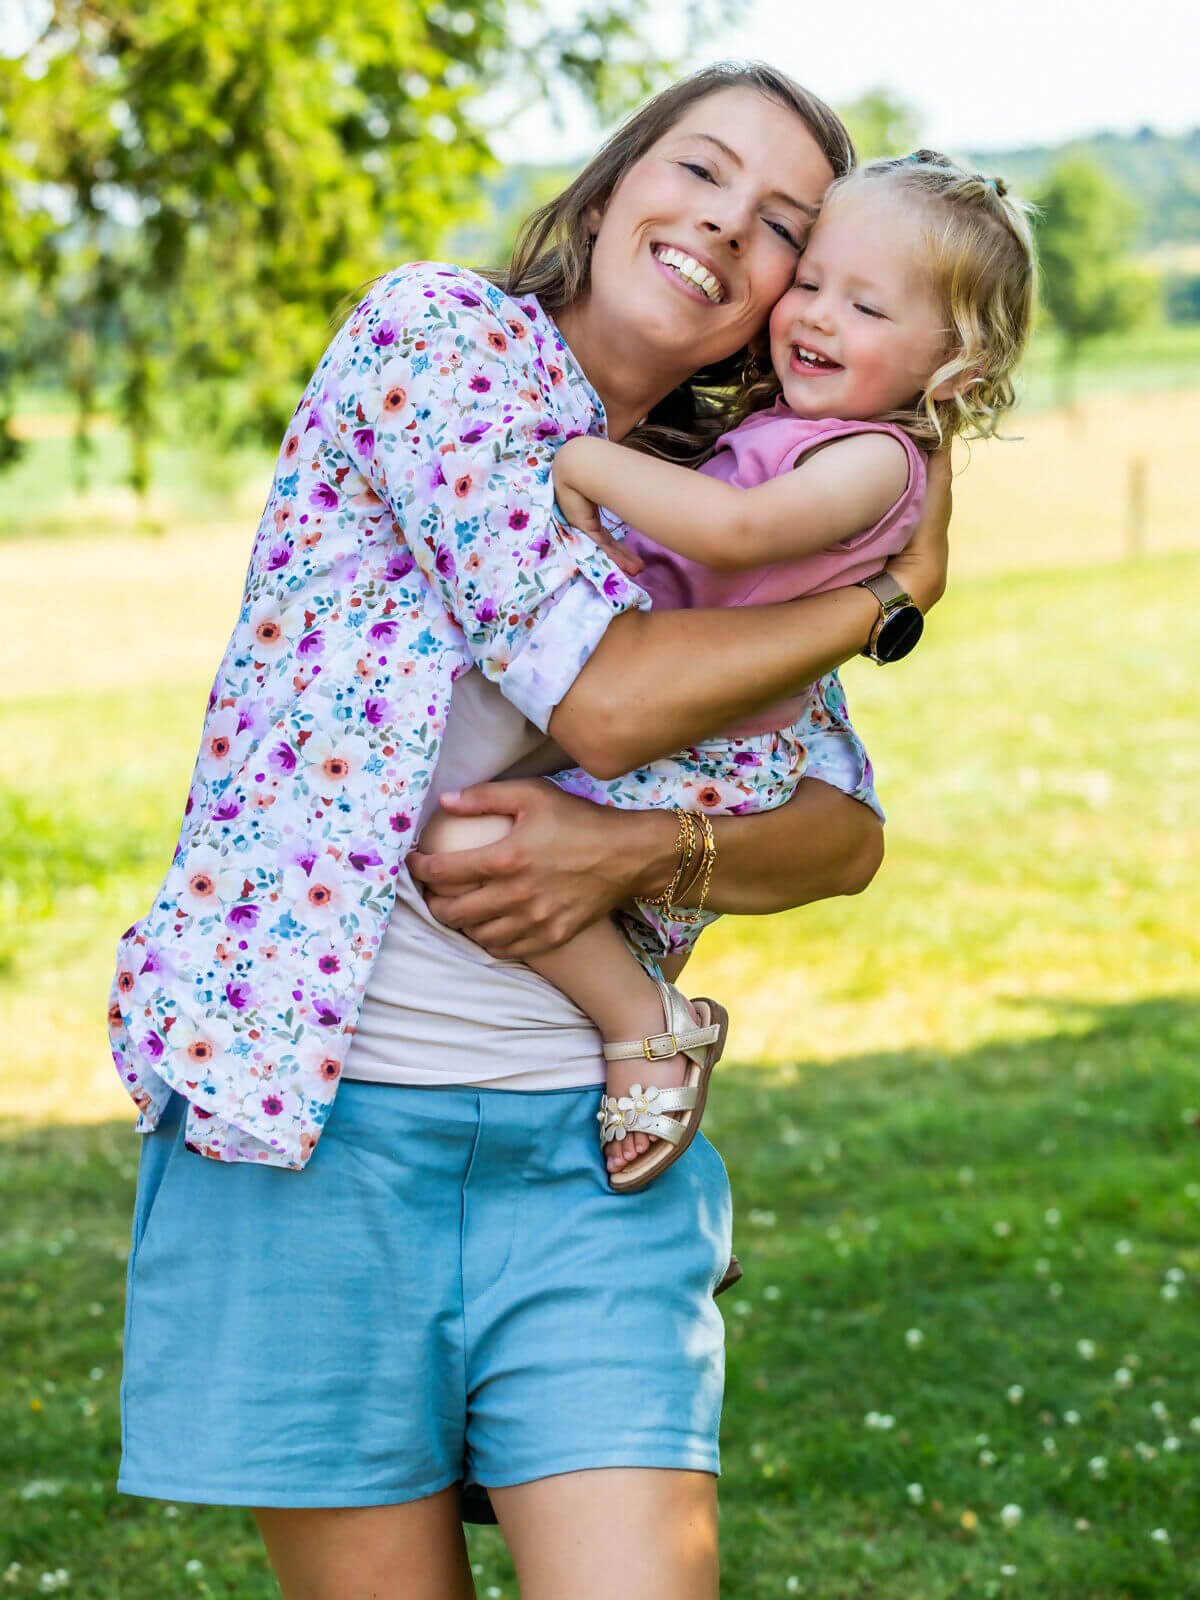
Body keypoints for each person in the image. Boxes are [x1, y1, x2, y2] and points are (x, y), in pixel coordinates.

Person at [110, 63, 951, 1600]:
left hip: (589, 1154)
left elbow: (841, 828)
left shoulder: (708, 505)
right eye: (697, 171)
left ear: (787, 294)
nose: (721, 228)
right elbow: (610, 702)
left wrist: (638, 856)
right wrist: (887, 594)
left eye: (779, 226)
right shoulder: (441, 341)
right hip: (309, 1135)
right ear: (619, 180)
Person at [420, 150, 1035, 1190]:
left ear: (955, 367)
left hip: (707, 750)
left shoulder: (878, 458)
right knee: (508, 862)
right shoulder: (797, 427)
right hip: (678, 720)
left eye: (868, 306)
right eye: (810, 282)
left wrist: (578, 460)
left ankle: (645, 1021)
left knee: (475, 846)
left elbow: (738, 529)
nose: (818, 317)